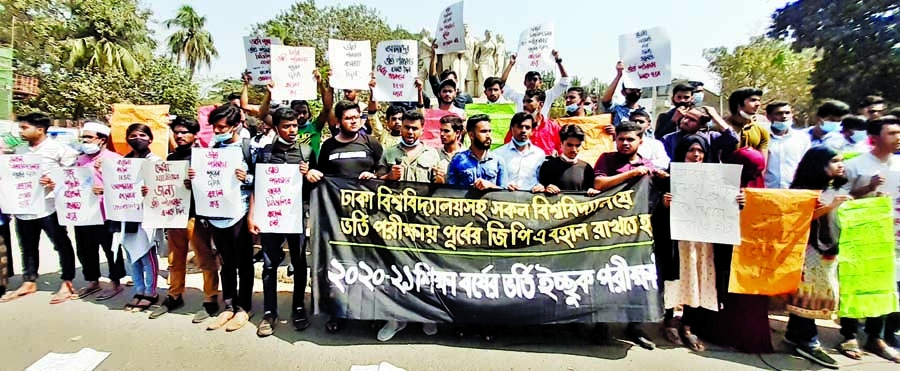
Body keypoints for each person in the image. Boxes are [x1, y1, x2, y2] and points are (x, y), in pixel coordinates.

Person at [309, 100, 384, 333]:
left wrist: (372, 174)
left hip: (368, 217)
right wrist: (312, 173)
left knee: (370, 264)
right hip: (337, 217)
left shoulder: (370, 142)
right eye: (349, 118)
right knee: (339, 264)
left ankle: (372, 311)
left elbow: (383, 169)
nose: (354, 121)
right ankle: (338, 312)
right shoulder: (329, 146)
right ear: (339, 121)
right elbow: (321, 176)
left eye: (357, 117)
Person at [592, 121, 668, 350]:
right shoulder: (607, 159)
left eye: (630, 139)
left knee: (638, 278)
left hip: (639, 233)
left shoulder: (650, 166)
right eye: (621, 139)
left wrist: (664, 188)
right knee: (606, 277)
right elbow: (599, 183)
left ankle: (635, 327)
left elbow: (659, 197)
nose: (625, 143)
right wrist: (631, 174)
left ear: (640, 142)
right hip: (610, 231)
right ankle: (601, 325)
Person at [692, 146, 773, 354]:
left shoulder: (758, 184)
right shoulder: (722, 182)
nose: (754, 175)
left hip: (751, 246)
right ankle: (724, 331)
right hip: (726, 245)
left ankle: (744, 334)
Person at [247, 107, 317, 337]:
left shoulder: (306, 151)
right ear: (276, 128)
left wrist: (309, 174)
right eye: (286, 126)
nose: (292, 130)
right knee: (269, 265)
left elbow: (315, 185)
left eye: (295, 125)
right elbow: (258, 185)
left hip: (296, 217)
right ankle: (270, 312)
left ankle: (298, 308)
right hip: (271, 218)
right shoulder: (265, 153)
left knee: (299, 264)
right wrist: (252, 216)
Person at [374, 110, 443, 341]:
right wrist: (390, 177)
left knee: (424, 269)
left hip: (423, 223)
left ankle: (427, 316)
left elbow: (442, 189)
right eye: (407, 127)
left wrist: (442, 180)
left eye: (415, 128)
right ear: (400, 128)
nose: (410, 132)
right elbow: (377, 182)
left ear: (422, 130)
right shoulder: (390, 152)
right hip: (395, 221)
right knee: (394, 269)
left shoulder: (433, 154)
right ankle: (395, 319)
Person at [783, 146, 852, 369]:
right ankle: (807, 340)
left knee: (819, 292)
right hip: (808, 250)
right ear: (818, 164)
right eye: (834, 161)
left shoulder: (833, 187)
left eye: (841, 160)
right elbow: (798, 219)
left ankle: (796, 334)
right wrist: (831, 206)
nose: (840, 165)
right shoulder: (802, 190)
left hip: (829, 249)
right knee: (808, 294)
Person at [839, 115, 900, 363]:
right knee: (856, 285)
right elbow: (839, 197)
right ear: (874, 138)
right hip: (862, 235)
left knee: (888, 287)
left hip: (893, 237)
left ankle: (878, 336)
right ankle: (849, 334)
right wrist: (867, 189)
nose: (898, 138)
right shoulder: (856, 165)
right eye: (892, 133)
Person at [0, 112, 78, 304]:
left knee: (61, 244)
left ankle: (67, 282)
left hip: (50, 207)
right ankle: (29, 281)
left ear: (40, 129)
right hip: (24, 207)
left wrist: (55, 182)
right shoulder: (19, 151)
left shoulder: (59, 149)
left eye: (25, 128)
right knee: (27, 246)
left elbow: (74, 175)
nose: (21, 131)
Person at [148, 117, 221, 322]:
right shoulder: (171, 159)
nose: (180, 136)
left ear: (195, 134)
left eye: (184, 132)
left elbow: (214, 186)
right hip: (174, 215)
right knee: (174, 258)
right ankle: (174, 294)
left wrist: (196, 184)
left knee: (204, 257)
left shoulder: (204, 157)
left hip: (195, 216)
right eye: (177, 132)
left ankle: (210, 299)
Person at [194, 104, 256, 332]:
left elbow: (262, 181)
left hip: (239, 213)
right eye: (215, 127)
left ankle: (244, 308)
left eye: (222, 127)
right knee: (226, 262)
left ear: (235, 126)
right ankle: (229, 305)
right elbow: (205, 179)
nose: (218, 131)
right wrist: (195, 175)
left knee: (244, 261)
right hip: (216, 214)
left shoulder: (250, 147)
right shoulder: (211, 148)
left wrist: (247, 178)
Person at [658, 134, 721, 352]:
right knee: (675, 279)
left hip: (702, 242)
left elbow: (724, 210)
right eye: (691, 151)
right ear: (682, 153)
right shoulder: (669, 178)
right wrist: (664, 205)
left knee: (698, 279)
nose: (696, 155)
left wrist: (737, 202)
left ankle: (687, 326)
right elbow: (655, 213)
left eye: (700, 151)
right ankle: (668, 322)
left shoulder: (716, 180)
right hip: (678, 241)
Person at [99, 123, 163, 312]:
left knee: (147, 254)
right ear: (127, 139)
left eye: (142, 135)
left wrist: (149, 190)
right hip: (125, 214)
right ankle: (139, 289)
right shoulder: (122, 164)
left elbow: (163, 187)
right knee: (131, 254)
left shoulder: (155, 161)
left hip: (145, 215)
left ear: (150, 139)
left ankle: (151, 291)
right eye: (133, 135)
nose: (137, 139)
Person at [72, 122, 126, 301]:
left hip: (105, 213)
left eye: (88, 137)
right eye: (83, 137)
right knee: (85, 249)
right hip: (83, 213)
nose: (84, 141)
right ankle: (92, 281)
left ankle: (115, 283)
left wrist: (105, 188)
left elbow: (124, 186)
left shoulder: (114, 159)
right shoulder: (79, 160)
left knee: (111, 250)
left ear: (102, 140)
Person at [499, 50, 570, 117]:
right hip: (523, 129)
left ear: (541, 82)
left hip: (541, 129)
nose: (532, 82)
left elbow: (565, 81)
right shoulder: (519, 97)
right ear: (524, 83)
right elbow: (501, 85)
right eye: (529, 79)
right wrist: (510, 64)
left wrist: (558, 60)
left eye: (535, 79)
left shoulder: (548, 96)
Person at [446, 114, 507, 190]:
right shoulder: (458, 160)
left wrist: (491, 186)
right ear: (471, 135)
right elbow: (449, 191)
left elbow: (504, 193)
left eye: (489, 131)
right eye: (483, 131)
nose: (488, 136)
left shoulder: (498, 161)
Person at [537, 125, 600, 194]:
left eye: (577, 145)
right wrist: (546, 189)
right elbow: (540, 191)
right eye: (569, 145)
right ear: (561, 144)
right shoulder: (548, 166)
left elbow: (591, 192)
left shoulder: (587, 169)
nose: (574, 149)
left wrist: (592, 191)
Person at [714, 87, 770, 162]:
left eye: (759, 100)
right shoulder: (718, 129)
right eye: (753, 100)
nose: (758, 104)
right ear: (738, 104)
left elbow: (762, 163)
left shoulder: (761, 131)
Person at [494, 112, 545, 192]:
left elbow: (542, 180)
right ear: (512, 128)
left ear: (532, 131)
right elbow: (493, 180)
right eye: (520, 127)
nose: (523, 130)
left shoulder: (539, 154)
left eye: (527, 127)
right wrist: (505, 185)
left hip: (530, 200)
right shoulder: (498, 154)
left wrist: (541, 186)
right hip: (505, 198)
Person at [765, 101, 811, 189]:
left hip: (794, 191)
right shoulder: (762, 138)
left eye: (787, 113)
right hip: (767, 190)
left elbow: (807, 165)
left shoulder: (802, 138)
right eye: (779, 113)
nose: (784, 116)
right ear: (768, 117)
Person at [503, 89, 561, 156]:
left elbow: (562, 149)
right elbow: (507, 148)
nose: (524, 105)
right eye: (523, 101)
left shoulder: (553, 127)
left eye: (529, 101)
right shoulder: (517, 127)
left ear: (540, 105)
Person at [429, 42, 474, 109]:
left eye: (451, 80)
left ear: (456, 80)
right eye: (446, 80)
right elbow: (432, 76)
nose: (447, 94)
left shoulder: (466, 97)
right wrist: (433, 54)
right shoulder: (440, 92)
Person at [600, 61, 644, 129]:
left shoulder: (645, 113)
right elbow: (605, 101)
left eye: (638, 90)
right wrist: (619, 74)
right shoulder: (617, 109)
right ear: (623, 92)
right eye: (631, 89)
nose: (635, 92)